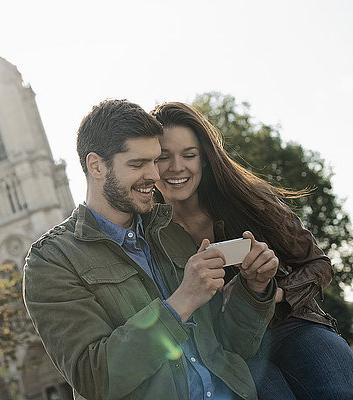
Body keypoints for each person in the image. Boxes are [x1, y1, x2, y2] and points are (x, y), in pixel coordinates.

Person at [23, 99, 279, 400]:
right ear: (96, 165)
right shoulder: (51, 261)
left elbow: (233, 347)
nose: (156, 176)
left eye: (154, 160)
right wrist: (181, 302)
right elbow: (95, 379)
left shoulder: (172, 232)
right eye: (137, 164)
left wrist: (255, 289)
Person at [151, 101, 353, 399]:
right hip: (231, 355)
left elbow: (319, 265)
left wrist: (273, 293)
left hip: (293, 325)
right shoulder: (148, 233)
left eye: (189, 155)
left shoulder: (248, 198)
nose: (177, 167)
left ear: (205, 159)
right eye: (163, 157)